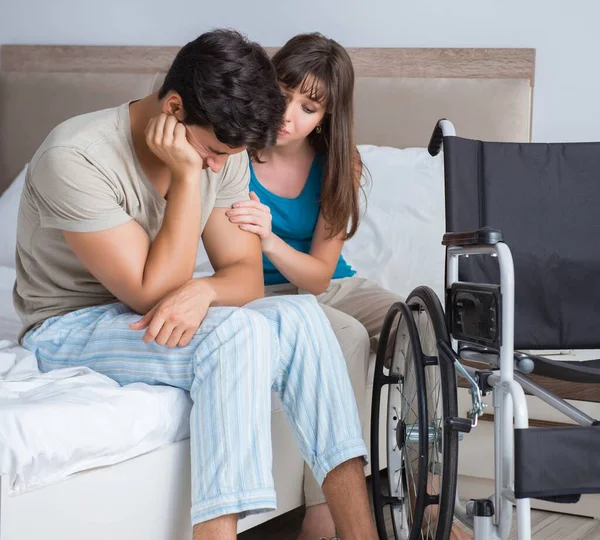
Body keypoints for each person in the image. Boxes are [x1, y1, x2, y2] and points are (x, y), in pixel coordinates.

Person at [14, 29, 378, 540]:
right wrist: (186, 179)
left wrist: (205, 290)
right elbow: (149, 291)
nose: (217, 165)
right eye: (209, 152)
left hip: (144, 311)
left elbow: (245, 276)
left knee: (301, 316)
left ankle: (361, 534)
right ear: (174, 107)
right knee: (236, 335)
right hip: (67, 324)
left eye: (224, 156)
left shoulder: (222, 149)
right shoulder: (76, 157)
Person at [226, 32, 472, 540]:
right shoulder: (233, 153)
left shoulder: (341, 163)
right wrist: (266, 247)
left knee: (423, 327)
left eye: (309, 106)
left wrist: (270, 237)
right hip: (264, 295)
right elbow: (246, 272)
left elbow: (320, 273)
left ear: (328, 115)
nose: (288, 113)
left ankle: (425, 495)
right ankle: (324, 511)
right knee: (346, 339)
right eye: (283, 91)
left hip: (331, 285)